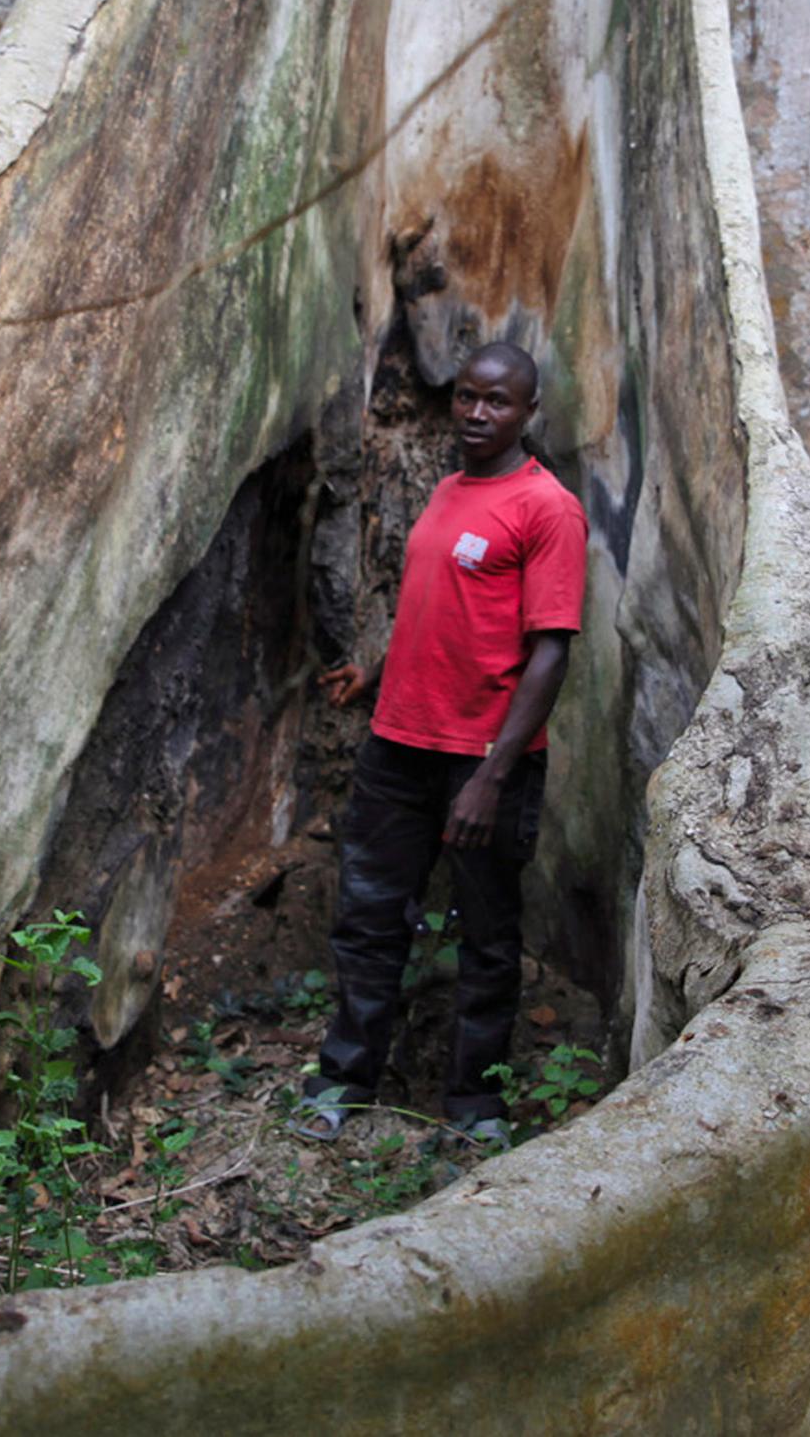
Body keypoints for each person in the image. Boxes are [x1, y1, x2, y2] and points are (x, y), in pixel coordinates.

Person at [295, 342, 587, 1147]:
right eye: (466, 398)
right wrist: (376, 670)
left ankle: (474, 1107)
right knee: (368, 916)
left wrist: (492, 777)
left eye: (496, 401)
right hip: (397, 743)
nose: (477, 413)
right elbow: (442, 609)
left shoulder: (546, 507)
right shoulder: (451, 491)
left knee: (486, 934)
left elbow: (551, 651)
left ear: (529, 412)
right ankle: (343, 1082)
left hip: (483, 758)